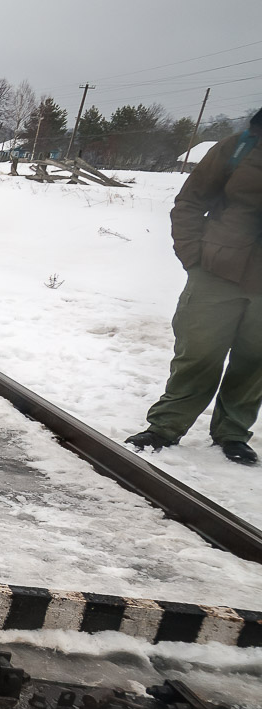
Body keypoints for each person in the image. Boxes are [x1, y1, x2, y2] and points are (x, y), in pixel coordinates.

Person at [127, 108, 262, 467]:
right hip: (217, 272)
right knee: (198, 354)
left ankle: (233, 434)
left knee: (255, 363)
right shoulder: (239, 147)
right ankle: (165, 427)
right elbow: (189, 202)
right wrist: (193, 257)